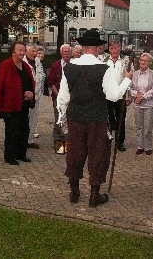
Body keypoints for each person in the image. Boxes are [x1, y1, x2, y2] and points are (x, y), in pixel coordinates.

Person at [56, 29, 132, 207]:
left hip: (75, 118)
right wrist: (127, 80)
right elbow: (114, 96)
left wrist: (61, 119)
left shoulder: (69, 67)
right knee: (97, 154)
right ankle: (94, 196)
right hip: (96, 119)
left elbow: (63, 97)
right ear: (98, 48)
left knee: (75, 153)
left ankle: (74, 192)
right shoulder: (103, 69)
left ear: (82, 47)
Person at [0, 41, 35, 165]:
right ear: (13, 52)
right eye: (19, 50)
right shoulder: (5, 65)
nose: (22, 53)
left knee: (24, 130)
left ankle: (21, 154)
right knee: (12, 131)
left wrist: (31, 93)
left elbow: (30, 82)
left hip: (24, 104)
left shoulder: (26, 66)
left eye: (23, 50)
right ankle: (10, 156)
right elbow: (0, 86)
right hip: (10, 104)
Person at [103, 40, 134, 152]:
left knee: (121, 119)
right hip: (107, 95)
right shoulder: (104, 60)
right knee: (108, 119)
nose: (114, 51)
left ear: (119, 49)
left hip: (121, 95)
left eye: (115, 48)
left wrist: (129, 96)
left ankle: (119, 142)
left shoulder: (126, 61)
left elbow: (130, 79)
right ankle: (108, 140)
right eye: (111, 48)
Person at [129, 52, 153, 155]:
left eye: (145, 61)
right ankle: (140, 146)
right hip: (137, 104)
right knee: (139, 126)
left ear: (149, 63)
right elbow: (130, 87)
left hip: (149, 104)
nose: (143, 62)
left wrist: (142, 97)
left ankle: (148, 146)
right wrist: (137, 95)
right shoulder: (135, 74)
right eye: (141, 60)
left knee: (148, 127)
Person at [48, 44, 72, 152]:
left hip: (71, 98)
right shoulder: (56, 65)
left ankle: (66, 142)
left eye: (68, 52)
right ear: (61, 53)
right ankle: (58, 143)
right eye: (65, 52)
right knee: (59, 118)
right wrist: (58, 95)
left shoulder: (74, 65)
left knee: (69, 120)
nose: (67, 54)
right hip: (58, 96)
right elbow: (51, 82)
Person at [23, 43, 44, 149]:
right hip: (26, 96)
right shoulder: (22, 62)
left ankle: (30, 140)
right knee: (24, 118)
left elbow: (40, 77)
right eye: (33, 51)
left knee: (34, 118)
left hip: (36, 95)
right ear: (26, 51)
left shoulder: (38, 61)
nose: (35, 54)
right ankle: (22, 140)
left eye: (36, 51)